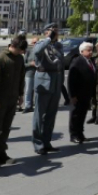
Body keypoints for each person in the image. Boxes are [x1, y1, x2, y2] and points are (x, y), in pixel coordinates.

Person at [0, 37, 26, 168]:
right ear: (14, 47)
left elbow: (21, 77)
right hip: (1, 98)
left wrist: (21, 95)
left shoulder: (19, 59)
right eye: (21, 50)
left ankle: (1, 153)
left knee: (6, 127)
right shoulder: (1, 59)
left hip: (13, 98)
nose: (22, 53)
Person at [32, 23, 64, 155]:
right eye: (52, 31)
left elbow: (60, 60)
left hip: (55, 81)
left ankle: (47, 142)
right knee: (40, 115)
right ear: (46, 32)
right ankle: (38, 144)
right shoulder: (40, 44)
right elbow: (37, 52)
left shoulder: (58, 46)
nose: (55, 33)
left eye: (56, 31)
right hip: (44, 81)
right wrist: (48, 39)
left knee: (51, 115)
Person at [68, 41, 96, 144]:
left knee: (82, 115)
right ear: (82, 51)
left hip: (86, 93)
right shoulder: (77, 61)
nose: (91, 52)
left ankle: (80, 134)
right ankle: (74, 135)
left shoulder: (91, 61)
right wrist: (72, 95)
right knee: (75, 115)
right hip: (78, 94)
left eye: (91, 50)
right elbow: (71, 79)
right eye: (88, 50)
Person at [22, 37, 38, 113]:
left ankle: (34, 105)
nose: (35, 44)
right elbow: (23, 64)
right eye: (34, 42)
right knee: (28, 90)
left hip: (38, 73)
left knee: (36, 90)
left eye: (37, 42)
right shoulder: (28, 51)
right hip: (29, 73)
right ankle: (28, 106)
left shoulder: (40, 51)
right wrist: (30, 64)